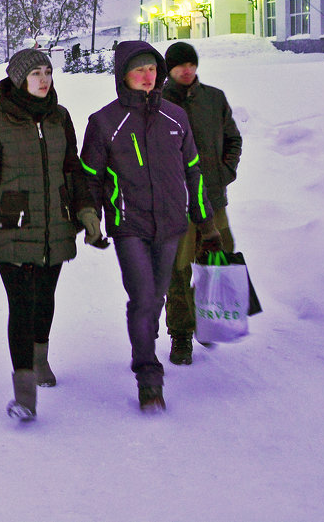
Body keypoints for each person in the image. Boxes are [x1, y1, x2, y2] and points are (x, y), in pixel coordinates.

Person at [0, 49, 94, 422]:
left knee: (45, 299)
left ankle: (40, 358)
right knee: (21, 305)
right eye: (35, 73)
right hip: (12, 226)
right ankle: (25, 393)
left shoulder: (60, 118)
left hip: (55, 226)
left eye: (47, 72)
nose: (44, 79)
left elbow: (73, 170)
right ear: (19, 79)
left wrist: (86, 211)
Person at [79, 41, 220, 413]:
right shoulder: (105, 122)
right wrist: (91, 218)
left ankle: (145, 334)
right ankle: (148, 375)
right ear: (123, 75)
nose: (147, 76)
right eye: (139, 69)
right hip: (130, 226)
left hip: (172, 224)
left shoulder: (176, 117)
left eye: (152, 69)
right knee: (143, 298)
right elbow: (89, 178)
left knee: (155, 299)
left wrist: (205, 221)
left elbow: (194, 172)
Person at [161, 41, 243, 366]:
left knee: (217, 261)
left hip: (213, 200)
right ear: (169, 69)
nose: (187, 70)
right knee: (178, 271)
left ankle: (212, 323)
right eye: (180, 65)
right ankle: (181, 334)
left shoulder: (214, 98)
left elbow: (233, 138)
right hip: (178, 205)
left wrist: (225, 172)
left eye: (191, 64)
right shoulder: (159, 102)